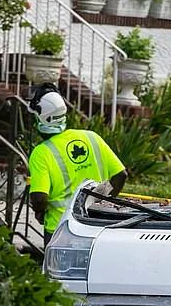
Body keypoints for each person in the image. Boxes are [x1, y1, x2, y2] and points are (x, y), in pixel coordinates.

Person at [27, 84, 126, 247]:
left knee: (57, 272)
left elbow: (40, 198)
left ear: (41, 117)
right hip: (94, 224)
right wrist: (102, 203)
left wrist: (39, 212)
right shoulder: (92, 138)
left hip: (61, 230)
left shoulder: (41, 152)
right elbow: (121, 175)